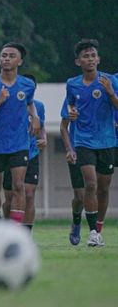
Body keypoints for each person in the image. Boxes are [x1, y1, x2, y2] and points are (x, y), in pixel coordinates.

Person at [60, 39, 118, 246]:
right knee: (90, 184)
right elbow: (68, 112)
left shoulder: (109, 80)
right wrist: (72, 114)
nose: (90, 59)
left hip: (107, 141)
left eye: (93, 55)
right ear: (78, 62)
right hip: (83, 141)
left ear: (99, 59)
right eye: (86, 56)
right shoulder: (72, 84)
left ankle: (98, 228)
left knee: (103, 188)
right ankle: (92, 232)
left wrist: (111, 92)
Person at [0, 43, 40, 225]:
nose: (6, 58)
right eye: (4, 55)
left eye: (11, 56)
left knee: (18, 186)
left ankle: (14, 228)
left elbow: (29, 103)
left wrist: (35, 117)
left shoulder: (27, 85)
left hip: (20, 144)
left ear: (19, 61)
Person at [2, 74, 46, 231]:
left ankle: (26, 232)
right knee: (10, 196)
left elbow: (41, 127)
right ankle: (8, 230)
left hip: (31, 153)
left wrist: (44, 138)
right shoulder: (10, 103)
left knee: (29, 194)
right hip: (11, 153)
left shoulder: (39, 106)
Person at [60, 99, 83, 245]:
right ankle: (76, 223)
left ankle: (96, 232)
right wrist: (69, 149)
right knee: (80, 197)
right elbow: (63, 127)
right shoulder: (73, 98)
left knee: (99, 190)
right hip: (78, 151)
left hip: (102, 147)